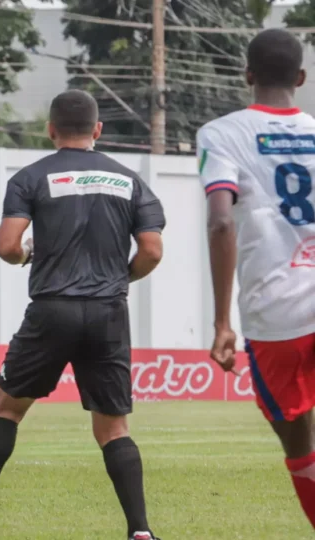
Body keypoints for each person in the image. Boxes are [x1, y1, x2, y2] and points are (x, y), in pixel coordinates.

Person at [0, 90, 166, 540]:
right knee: (114, 428)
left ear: (51, 129)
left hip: (52, 310)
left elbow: (6, 245)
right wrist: (118, 280)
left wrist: (24, 257)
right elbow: (152, 251)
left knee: (7, 409)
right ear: (98, 130)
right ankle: (140, 532)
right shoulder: (130, 180)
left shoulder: (31, 177)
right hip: (108, 313)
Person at [200, 28, 315, 530]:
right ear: (302, 78)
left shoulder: (222, 134)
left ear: (247, 75)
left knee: (296, 439)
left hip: (277, 314)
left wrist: (222, 321)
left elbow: (221, 220)